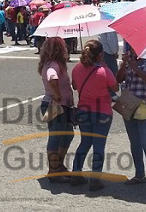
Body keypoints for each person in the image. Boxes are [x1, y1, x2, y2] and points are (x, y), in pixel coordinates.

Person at [70, 40, 118, 191]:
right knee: (98, 146)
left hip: (84, 110)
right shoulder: (104, 71)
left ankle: (76, 173)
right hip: (102, 111)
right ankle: (95, 178)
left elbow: (75, 86)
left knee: (84, 142)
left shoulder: (77, 68)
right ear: (101, 54)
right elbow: (115, 87)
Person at [117, 50, 146, 194]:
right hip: (129, 105)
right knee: (134, 142)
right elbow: (118, 79)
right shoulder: (129, 62)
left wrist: (135, 68)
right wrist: (124, 63)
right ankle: (139, 174)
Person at [38, 37, 74, 183]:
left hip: (62, 105)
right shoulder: (53, 65)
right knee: (56, 136)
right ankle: (53, 170)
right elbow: (52, 76)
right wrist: (57, 94)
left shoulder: (55, 63)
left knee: (67, 134)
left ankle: (58, 165)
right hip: (55, 104)